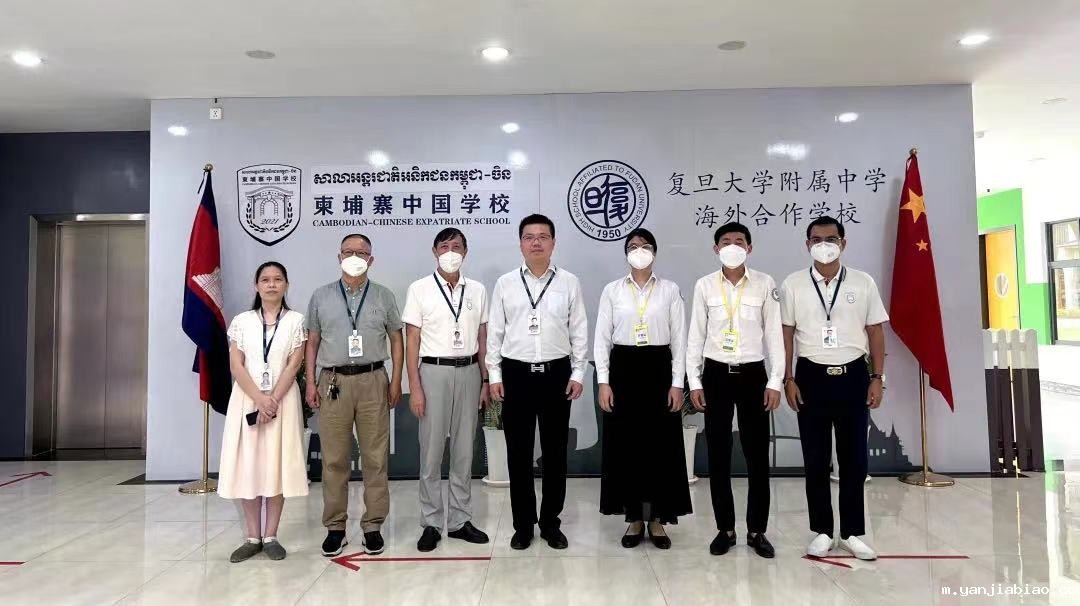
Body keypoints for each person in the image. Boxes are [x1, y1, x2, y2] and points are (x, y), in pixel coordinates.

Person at [780, 216, 888, 561]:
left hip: (854, 375)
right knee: (815, 459)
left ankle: (852, 532)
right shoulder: (793, 284)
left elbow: (875, 331)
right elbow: (785, 335)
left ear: (843, 243)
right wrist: (787, 379)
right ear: (807, 244)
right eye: (817, 239)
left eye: (831, 239)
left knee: (854, 460)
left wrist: (877, 377)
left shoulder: (863, 282)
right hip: (810, 377)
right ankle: (823, 531)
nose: (824, 245)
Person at [487, 214, 588, 551]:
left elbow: (579, 330)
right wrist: (495, 375)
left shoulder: (569, 282)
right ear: (520, 243)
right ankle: (523, 526)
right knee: (518, 454)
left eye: (543, 236)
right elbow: (495, 333)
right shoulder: (505, 283)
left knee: (556, 453)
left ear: (553, 243)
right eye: (529, 237)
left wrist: (577, 373)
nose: (536, 242)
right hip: (516, 374)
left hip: (556, 374)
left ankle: (550, 523)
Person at [686, 222, 783, 559]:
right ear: (716, 249)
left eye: (739, 241)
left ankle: (757, 530)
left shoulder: (765, 284)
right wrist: (695, 381)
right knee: (719, 453)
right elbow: (695, 336)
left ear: (749, 248)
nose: (732, 246)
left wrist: (775, 381)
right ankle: (725, 529)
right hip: (716, 375)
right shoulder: (704, 285)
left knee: (757, 455)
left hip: (753, 375)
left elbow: (775, 336)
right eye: (725, 241)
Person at [305, 234, 404, 557]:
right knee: (334, 459)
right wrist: (310, 383)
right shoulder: (321, 296)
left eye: (361, 253)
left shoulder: (384, 296)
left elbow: (397, 339)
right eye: (348, 252)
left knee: (375, 458)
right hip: (333, 381)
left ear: (371, 259)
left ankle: (373, 526)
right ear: (339, 257)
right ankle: (335, 527)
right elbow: (312, 342)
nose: (355, 257)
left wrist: (395, 381)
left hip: (373, 379)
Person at [595, 228, 691, 549]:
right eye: (633, 246)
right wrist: (604, 381)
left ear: (655, 252)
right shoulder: (612, 290)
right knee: (627, 447)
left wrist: (677, 383)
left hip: (659, 370)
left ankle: (658, 519)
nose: (639, 250)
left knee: (660, 448)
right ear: (626, 253)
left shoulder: (669, 290)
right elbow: (602, 338)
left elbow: (679, 340)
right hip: (623, 370)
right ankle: (634, 517)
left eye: (645, 245)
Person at [402, 228, 491, 552]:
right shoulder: (419, 289)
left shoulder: (477, 290)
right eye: (444, 246)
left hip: (469, 371)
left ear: (465, 252)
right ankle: (430, 522)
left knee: (464, 451)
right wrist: (415, 386)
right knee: (431, 452)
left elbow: (482, 337)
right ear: (434, 252)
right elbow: (412, 340)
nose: (450, 252)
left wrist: (485, 379)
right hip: (433, 372)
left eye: (456, 246)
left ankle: (459, 521)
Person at [219, 261, 309, 563]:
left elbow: (294, 365)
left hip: (282, 401)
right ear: (256, 286)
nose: (271, 284)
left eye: (278, 279)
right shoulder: (242, 321)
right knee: (250, 465)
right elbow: (236, 365)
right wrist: (259, 398)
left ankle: (270, 536)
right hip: (247, 399)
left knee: (275, 464)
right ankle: (252, 537)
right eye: (265, 280)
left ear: (286, 285)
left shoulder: (296, 320)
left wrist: (273, 400)